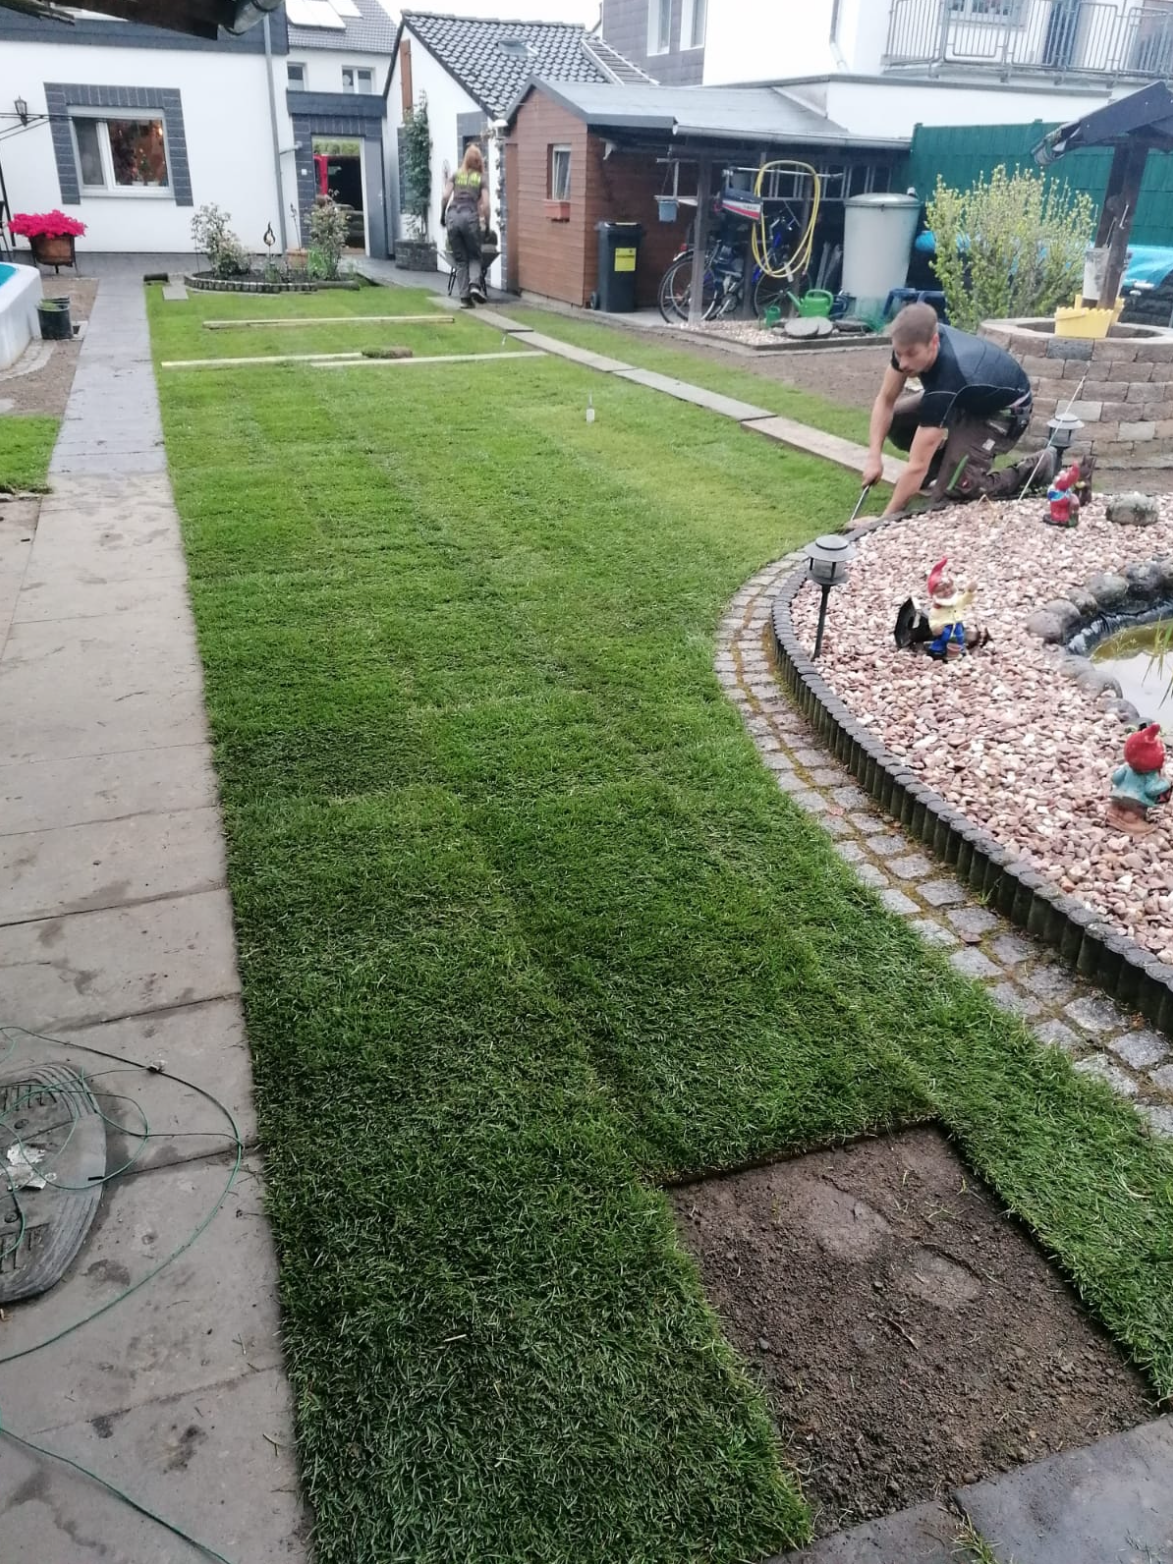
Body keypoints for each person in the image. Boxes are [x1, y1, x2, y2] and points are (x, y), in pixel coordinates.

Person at [862, 302, 1056, 516]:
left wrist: (884, 520)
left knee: (956, 490)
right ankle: (942, 463)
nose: (903, 363)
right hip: (964, 398)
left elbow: (917, 465)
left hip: (1004, 411)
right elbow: (885, 400)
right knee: (897, 420)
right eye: (899, 354)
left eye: (911, 353)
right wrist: (874, 456)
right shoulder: (910, 345)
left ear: (934, 342)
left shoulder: (948, 377)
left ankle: (1037, 467)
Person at [442, 145, 490, 309]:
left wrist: (442, 216)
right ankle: (474, 286)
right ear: (479, 162)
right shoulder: (481, 179)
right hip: (469, 217)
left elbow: (445, 196)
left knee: (461, 260)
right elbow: (486, 205)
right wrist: (487, 225)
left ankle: (465, 299)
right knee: (475, 255)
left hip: (452, 217)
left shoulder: (456, 175)